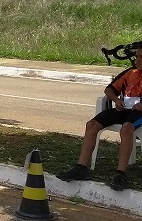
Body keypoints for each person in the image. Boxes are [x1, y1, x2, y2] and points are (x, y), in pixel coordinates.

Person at [58, 53, 142, 191]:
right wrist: (116, 100)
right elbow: (109, 89)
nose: (137, 59)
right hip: (123, 109)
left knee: (126, 129)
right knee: (91, 125)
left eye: (141, 57)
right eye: (137, 56)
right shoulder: (129, 73)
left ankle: (120, 174)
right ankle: (81, 167)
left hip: (138, 113)